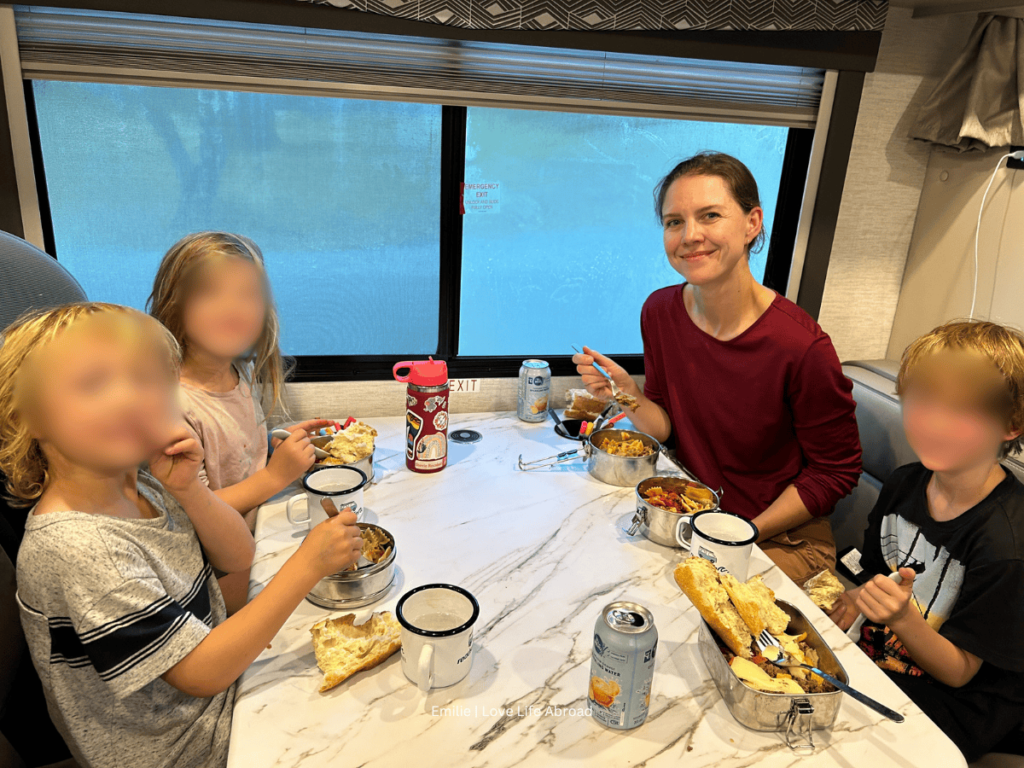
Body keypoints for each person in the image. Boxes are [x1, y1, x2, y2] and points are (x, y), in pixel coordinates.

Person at [1, 303, 362, 768]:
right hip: (182, 748)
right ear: (26, 416)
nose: (130, 399)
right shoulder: (81, 547)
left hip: (216, 695)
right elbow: (200, 673)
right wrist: (307, 566)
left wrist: (189, 489)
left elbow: (238, 553)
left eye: (148, 380)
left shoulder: (141, 481)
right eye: (93, 384)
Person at [574, 152, 862, 585]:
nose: (691, 236)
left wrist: (740, 534)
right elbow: (667, 428)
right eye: (674, 222)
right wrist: (624, 391)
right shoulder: (659, 311)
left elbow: (837, 470)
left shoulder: (801, 345)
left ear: (752, 223)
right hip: (694, 514)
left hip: (780, 537)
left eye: (710, 215)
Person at [827, 320, 1024, 762]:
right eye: (922, 400)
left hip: (958, 707)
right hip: (884, 652)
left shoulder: (1007, 545)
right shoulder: (905, 484)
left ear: (1010, 424)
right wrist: (861, 596)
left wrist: (900, 618)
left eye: (963, 410)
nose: (935, 422)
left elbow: (960, 674)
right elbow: (878, 570)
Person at [148, 232, 328, 611]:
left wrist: (274, 442)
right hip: (217, 573)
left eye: (248, 294)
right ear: (173, 305)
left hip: (257, 532)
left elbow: (238, 453)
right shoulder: (170, 406)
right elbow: (192, 510)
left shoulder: (236, 370)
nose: (233, 308)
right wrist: (275, 476)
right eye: (211, 293)